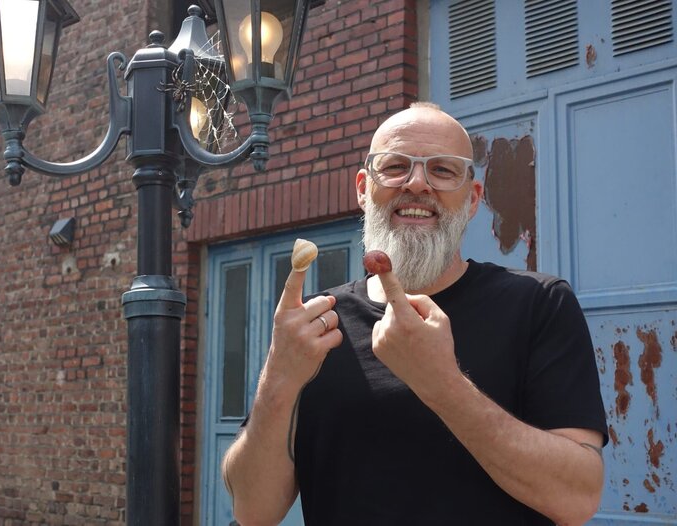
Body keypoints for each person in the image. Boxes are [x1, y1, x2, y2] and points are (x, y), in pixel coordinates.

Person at [222, 103, 607, 525]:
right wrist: (279, 376)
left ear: (473, 198)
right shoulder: (317, 322)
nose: (418, 183)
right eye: (396, 167)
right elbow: (253, 511)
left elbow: (578, 499)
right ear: (363, 188)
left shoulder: (539, 304)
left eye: (442, 170)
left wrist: (441, 383)